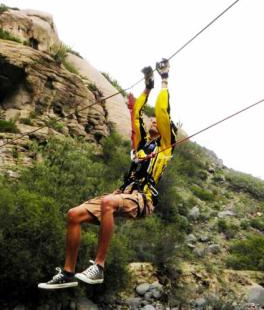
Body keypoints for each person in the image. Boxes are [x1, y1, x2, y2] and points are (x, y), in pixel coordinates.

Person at [38, 59, 177, 289]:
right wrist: (148, 86)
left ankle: (99, 267)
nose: (154, 120)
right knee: (74, 214)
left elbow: (162, 110)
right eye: (152, 120)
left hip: (143, 198)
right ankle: (68, 272)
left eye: (158, 122)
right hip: (123, 194)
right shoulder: (143, 145)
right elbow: (137, 115)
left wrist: (164, 80)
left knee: (108, 202)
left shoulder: (164, 146)